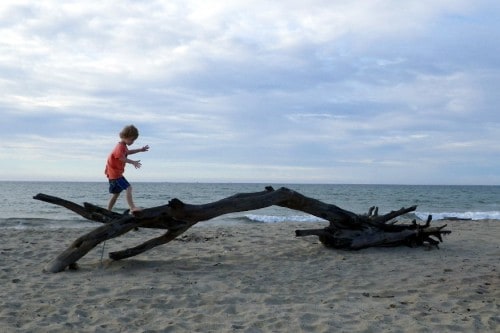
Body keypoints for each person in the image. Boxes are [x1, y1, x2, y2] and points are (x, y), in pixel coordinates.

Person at [105, 125, 149, 213]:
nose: (132, 142)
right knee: (128, 188)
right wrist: (133, 162)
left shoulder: (123, 146)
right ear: (124, 136)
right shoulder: (120, 147)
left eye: (134, 140)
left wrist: (140, 150)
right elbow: (121, 158)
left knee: (116, 194)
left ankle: (108, 211)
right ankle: (132, 208)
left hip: (114, 174)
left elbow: (128, 152)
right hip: (115, 175)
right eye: (131, 139)